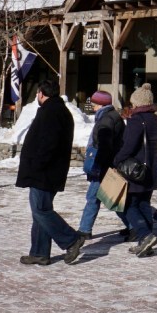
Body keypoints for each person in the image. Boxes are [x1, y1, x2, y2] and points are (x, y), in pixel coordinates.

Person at [14, 77, 85, 266]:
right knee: (41, 212)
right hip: (49, 171)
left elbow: (48, 144)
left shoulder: (51, 112)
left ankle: (71, 239)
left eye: (38, 92)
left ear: (42, 93)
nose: (37, 95)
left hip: (44, 172)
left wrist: (36, 166)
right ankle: (39, 252)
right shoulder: (57, 110)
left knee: (40, 211)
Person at [115, 84, 157, 257]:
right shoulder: (156, 120)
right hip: (152, 169)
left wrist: (116, 160)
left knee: (127, 205)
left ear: (137, 103)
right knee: (144, 204)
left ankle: (145, 235)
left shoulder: (137, 121)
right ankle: (145, 243)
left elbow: (128, 147)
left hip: (136, 171)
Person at [77, 91, 126, 238]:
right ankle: (134, 226)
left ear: (101, 104)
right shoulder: (112, 116)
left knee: (94, 198)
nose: (92, 106)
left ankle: (84, 230)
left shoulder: (106, 120)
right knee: (112, 198)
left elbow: (105, 147)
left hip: (104, 166)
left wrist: (98, 167)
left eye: (94, 103)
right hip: (110, 164)